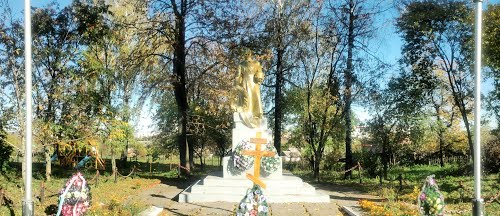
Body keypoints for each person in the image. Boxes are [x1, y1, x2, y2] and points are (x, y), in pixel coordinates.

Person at [232, 50, 265, 128]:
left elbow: (260, 73)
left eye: (247, 53)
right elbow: (238, 76)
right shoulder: (241, 64)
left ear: (250, 53)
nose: (246, 55)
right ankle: (248, 113)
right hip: (245, 83)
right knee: (247, 99)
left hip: (255, 84)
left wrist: (260, 77)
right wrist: (236, 85)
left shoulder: (257, 63)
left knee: (256, 98)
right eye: (244, 54)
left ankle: (257, 114)